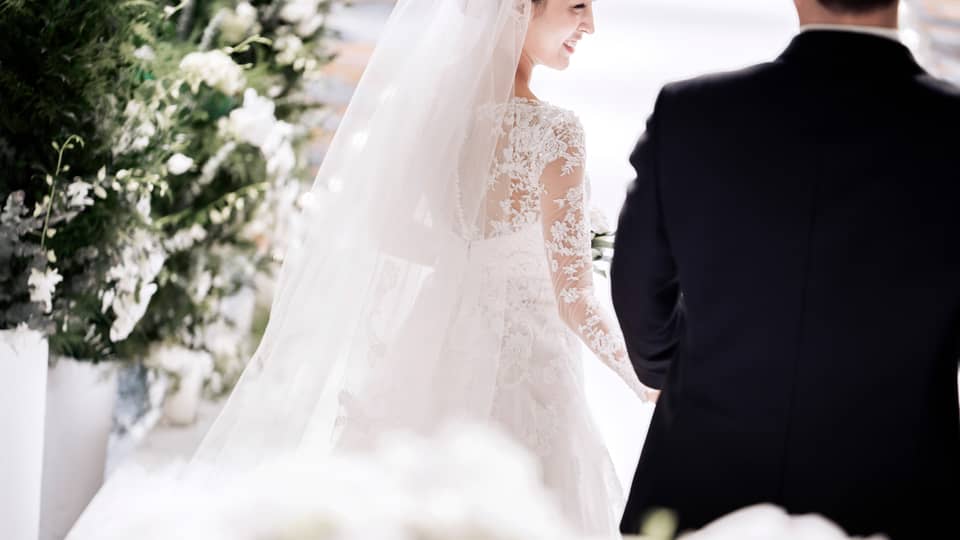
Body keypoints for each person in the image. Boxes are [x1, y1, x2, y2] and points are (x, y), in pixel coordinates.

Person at [69, 1, 649, 538]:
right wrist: (646, 378)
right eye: (577, 4)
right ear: (522, 5)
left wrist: (474, 259)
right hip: (528, 373)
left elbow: (386, 228)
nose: (591, 24)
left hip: (434, 348)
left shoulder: (438, 111)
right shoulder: (554, 133)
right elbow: (576, 303)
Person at [612, 1, 960, 538]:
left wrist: (682, 377)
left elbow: (638, 286)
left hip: (703, 481)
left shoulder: (690, 110)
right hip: (898, 491)